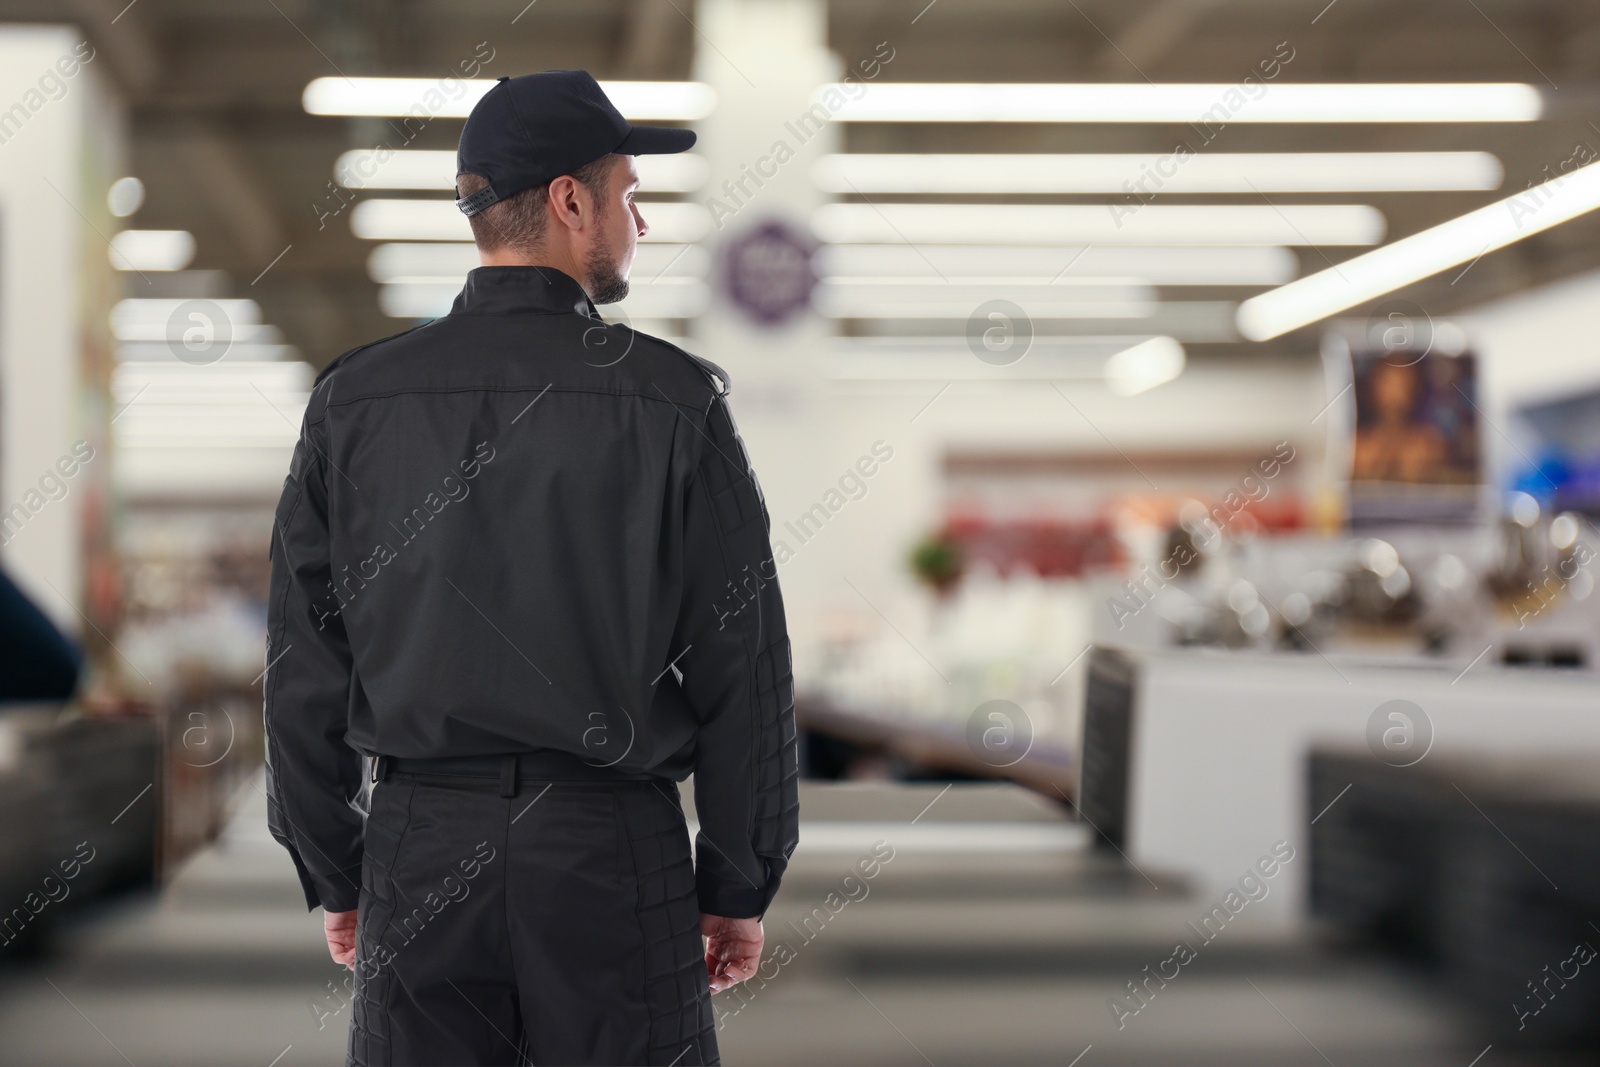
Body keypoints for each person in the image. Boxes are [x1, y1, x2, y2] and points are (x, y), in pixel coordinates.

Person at [264, 70, 799, 1066]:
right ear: (569, 201)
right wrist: (736, 880)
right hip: (609, 850)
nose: (641, 221)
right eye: (630, 195)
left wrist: (338, 866)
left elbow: (304, 660)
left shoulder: (355, 401)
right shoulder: (672, 401)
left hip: (419, 846)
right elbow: (744, 664)